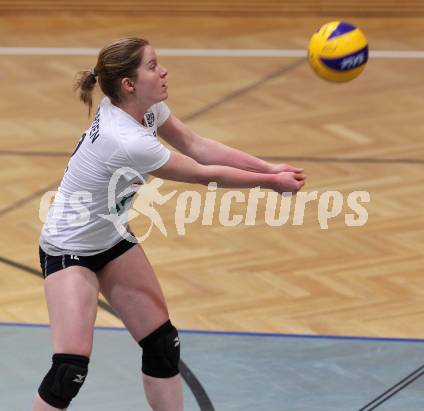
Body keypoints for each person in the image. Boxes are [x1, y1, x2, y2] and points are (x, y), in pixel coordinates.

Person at [33, 37, 306, 411]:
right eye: (152, 65)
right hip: (69, 250)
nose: (163, 71)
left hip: (111, 239)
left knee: (162, 345)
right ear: (128, 84)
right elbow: (200, 173)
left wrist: (269, 167)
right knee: (69, 372)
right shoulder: (125, 139)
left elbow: (199, 146)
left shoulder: (143, 109)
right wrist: (269, 183)